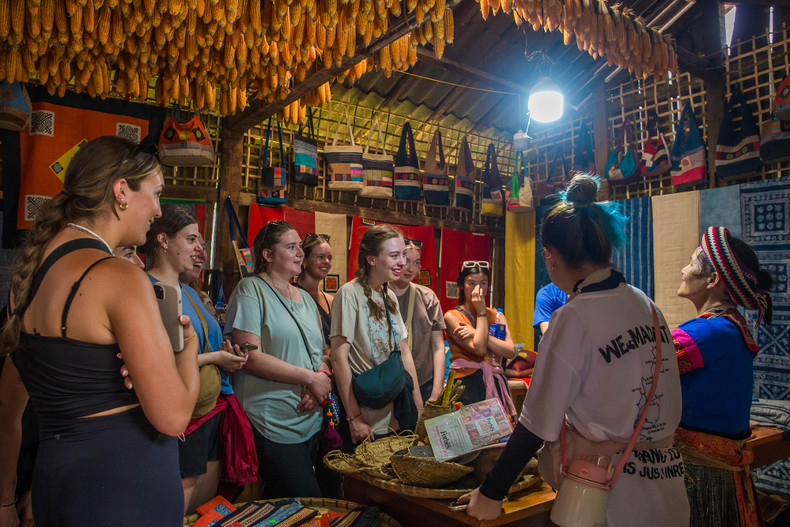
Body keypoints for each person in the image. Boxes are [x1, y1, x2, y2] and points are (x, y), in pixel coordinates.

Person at [460, 175, 688, 526]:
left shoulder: (573, 317)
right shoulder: (646, 304)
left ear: (550, 257)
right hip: (668, 488)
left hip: (607, 496)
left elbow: (535, 424)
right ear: (606, 248)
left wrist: (491, 493)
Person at [0, 135, 200, 527]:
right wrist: (187, 349)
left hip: (57, 487)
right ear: (121, 191)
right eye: (156, 194)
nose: (158, 211)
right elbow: (174, 417)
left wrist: (5, 499)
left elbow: (8, 406)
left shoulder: (30, 277)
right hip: (126, 490)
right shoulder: (118, 276)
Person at [142, 205, 247, 514]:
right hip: (180, 416)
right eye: (191, 239)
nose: (200, 248)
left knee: (202, 509)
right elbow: (157, 363)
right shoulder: (146, 290)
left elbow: (199, 345)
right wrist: (215, 357)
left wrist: (225, 352)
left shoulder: (187, 291)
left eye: (202, 241)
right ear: (163, 240)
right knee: (173, 510)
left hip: (210, 411)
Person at [225, 220, 339, 498]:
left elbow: (323, 351)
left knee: (324, 503)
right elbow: (249, 356)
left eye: (300, 246)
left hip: (312, 421)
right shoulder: (250, 289)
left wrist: (321, 377)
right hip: (270, 422)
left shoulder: (305, 297)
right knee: (306, 503)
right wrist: (309, 378)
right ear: (267, 255)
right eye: (291, 247)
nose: (300, 253)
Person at [673, 226, 773, 527]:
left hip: (703, 476)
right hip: (724, 473)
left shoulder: (708, 332)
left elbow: (642, 367)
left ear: (712, 279)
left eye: (691, 263)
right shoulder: (732, 325)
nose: (684, 269)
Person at [330, 225, 423, 445]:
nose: (402, 262)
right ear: (371, 259)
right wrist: (354, 417)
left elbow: (403, 351)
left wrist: (418, 403)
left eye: (402, 254)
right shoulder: (349, 294)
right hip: (366, 411)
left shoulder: (388, 293)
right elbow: (338, 358)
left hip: (395, 409)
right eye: (394, 256)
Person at [444, 260, 517, 418]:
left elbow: (510, 351)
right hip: (464, 383)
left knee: (499, 436)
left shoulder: (497, 316)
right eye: (471, 283)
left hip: (493, 380)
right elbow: (479, 349)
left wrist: (475, 331)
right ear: (462, 285)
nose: (478, 289)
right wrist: (482, 313)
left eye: (483, 283)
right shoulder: (452, 316)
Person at [389, 239, 446, 403]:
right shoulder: (379, 296)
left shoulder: (428, 297)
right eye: (406, 261)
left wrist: (436, 390)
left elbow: (438, 346)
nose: (411, 268)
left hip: (425, 382)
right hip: (389, 382)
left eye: (416, 263)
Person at [294, 232, 334, 345]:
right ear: (304, 261)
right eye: (320, 257)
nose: (326, 262)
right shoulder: (292, 295)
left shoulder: (331, 300)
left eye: (329, 258)